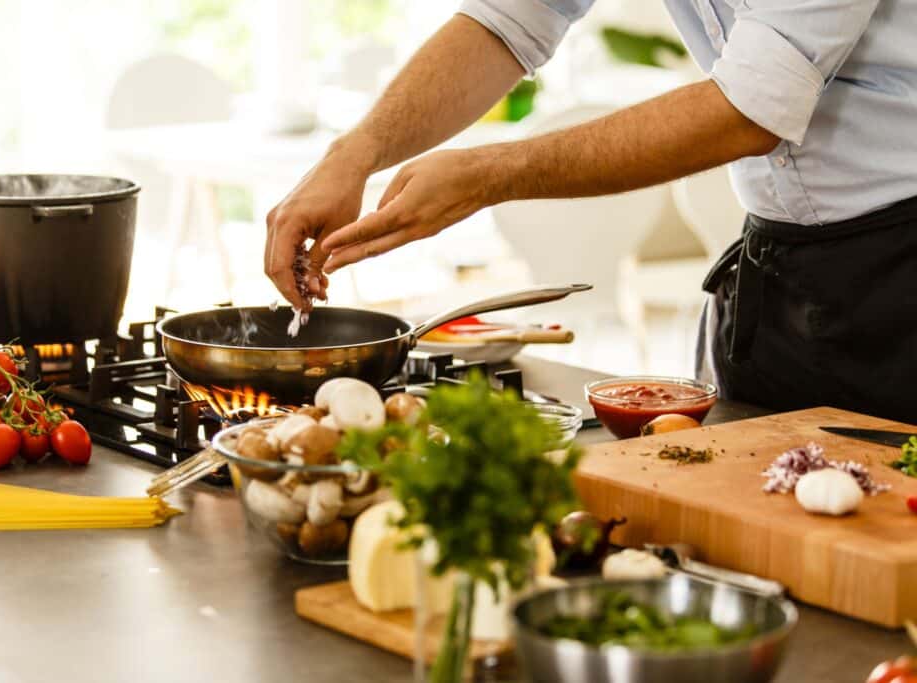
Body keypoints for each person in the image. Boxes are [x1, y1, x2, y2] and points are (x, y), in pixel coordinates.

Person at [264, 1, 917, 422]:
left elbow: (751, 108)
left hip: (903, 273)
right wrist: (355, 152)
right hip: (773, 279)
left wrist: (490, 174)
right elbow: (511, 17)